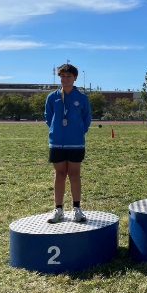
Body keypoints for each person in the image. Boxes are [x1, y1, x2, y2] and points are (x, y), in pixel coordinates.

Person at [44, 63, 91, 223]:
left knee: (74, 174)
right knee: (59, 174)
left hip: (76, 142)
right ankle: (58, 209)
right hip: (56, 142)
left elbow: (87, 119)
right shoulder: (52, 97)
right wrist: (56, 130)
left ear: (75, 78)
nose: (65, 79)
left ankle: (77, 209)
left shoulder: (82, 98)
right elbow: (48, 117)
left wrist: (77, 131)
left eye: (68, 76)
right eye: (62, 76)